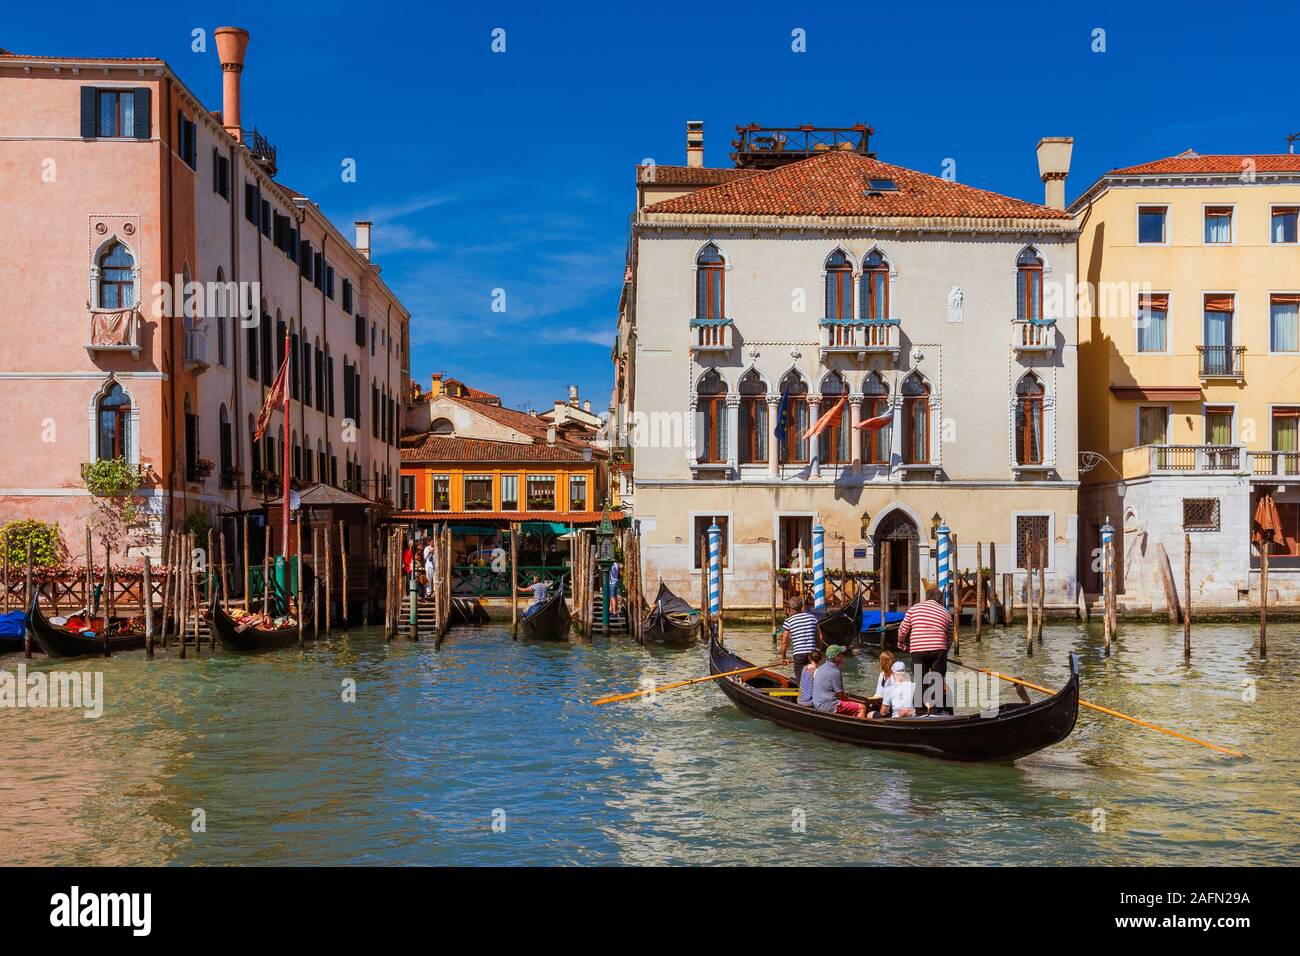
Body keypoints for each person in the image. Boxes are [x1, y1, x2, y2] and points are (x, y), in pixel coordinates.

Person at [897, 586, 953, 715]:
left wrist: (900, 642)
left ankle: (921, 710)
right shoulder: (946, 613)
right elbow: (949, 638)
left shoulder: (914, 609)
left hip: (918, 649)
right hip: (939, 649)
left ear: (926, 598)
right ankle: (935, 710)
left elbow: (903, 629)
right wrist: (944, 653)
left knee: (919, 679)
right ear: (940, 600)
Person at [811, 645, 867, 718]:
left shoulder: (820, 668)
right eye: (841, 654)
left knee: (852, 705)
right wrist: (849, 701)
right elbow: (841, 696)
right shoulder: (835, 671)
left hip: (817, 704)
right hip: (828, 705)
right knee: (862, 707)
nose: (843, 656)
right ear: (836, 658)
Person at [778, 596, 821, 681]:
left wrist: (783, 657)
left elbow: (784, 641)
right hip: (812, 653)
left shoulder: (789, 621)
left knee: (801, 681)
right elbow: (820, 637)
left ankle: (804, 693)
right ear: (802, 607)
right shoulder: (812, 618)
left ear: (791, 608)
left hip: (799, 655)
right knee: (812, 678)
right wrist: (817, 650)